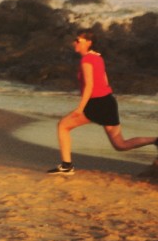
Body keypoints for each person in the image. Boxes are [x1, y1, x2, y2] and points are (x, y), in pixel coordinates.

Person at [47, 31, 157, 175]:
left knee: (63, 125)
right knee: (120, 144)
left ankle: (67, 166)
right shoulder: (98, 58)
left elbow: (89, 86)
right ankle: (156, 140)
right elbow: (105, 81)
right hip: (108, 101)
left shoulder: (86, 60)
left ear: (88, 42)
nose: (75, 42)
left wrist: (80, 108)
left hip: (96, 103)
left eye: (78, 40)